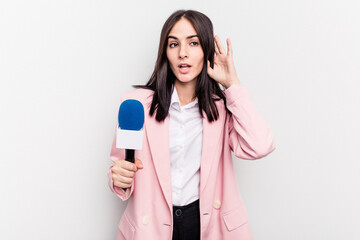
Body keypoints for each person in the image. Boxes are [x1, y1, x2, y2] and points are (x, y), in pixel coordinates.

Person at [108, 9, 275, 240]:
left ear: (206, 50)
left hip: (207, 225)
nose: (183, 53)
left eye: (193, 43)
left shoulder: (222, 109)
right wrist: (118, 178)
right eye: (174, 44)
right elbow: (121, 167)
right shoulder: (136, 107)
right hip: (152, 228)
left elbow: (260, 145)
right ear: (165, 52)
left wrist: (232, 84)